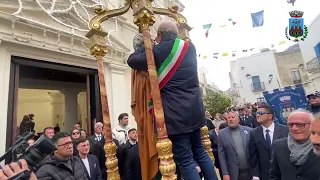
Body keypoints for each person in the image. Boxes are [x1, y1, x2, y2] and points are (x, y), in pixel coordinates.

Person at [127, 21, 217, 180]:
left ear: (159, 35)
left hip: (176, 115)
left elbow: (133, 60)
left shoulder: (158, 50)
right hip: (195, 111)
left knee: (185, 158)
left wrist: (147, 43)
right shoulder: (190, 47)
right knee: (200, 152)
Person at [269, 109, 320, 179]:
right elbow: (274, 175)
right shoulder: (279, 145)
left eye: (300, 125)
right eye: (291, 124)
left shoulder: (318, 146)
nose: (294, 128)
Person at [250, 104, 289, 180]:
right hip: (265, 174)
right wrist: (255, 175)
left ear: (270, 116)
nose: (257, 115)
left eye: (261, 113)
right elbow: (254, 156)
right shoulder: (254, 133)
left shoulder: (285, 130)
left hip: (284, 172)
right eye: (256, 113)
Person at [218, 111, 253, 180]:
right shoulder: (222, 134)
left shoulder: (249, 131)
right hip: (233, 173)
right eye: (228, 118)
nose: (230, 119)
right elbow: (221, 155)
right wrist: (225, 173)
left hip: (250, 171)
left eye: (233, 117)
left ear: (238, 120)